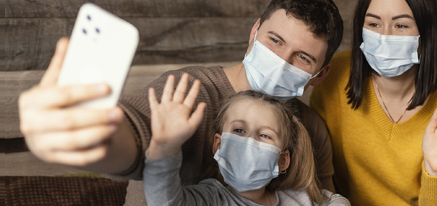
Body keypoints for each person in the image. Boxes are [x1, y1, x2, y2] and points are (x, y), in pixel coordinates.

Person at [17, 0, 343, 196]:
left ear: (320, 74)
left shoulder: (312, 130)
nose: (281, 61)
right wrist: (93, 136)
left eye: (302, 58)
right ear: (254, 31)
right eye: (275, 41)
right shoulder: (188, 90)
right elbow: (139, 132)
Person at [309, 0, 437, 205]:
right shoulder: (335, 75)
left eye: (401, 25)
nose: (385, 37)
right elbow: (319, 172)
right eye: (374, 24)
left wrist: (435, 171)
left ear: (426, 32)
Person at [142, 75, 349, 205]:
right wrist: (164, 148)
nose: (250, 141)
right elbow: (164, 201)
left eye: (265, 135)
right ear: (218, 145)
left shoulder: (298, 199)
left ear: (282, 160)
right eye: (239, 130)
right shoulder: (211, 199)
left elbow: (334, 199)